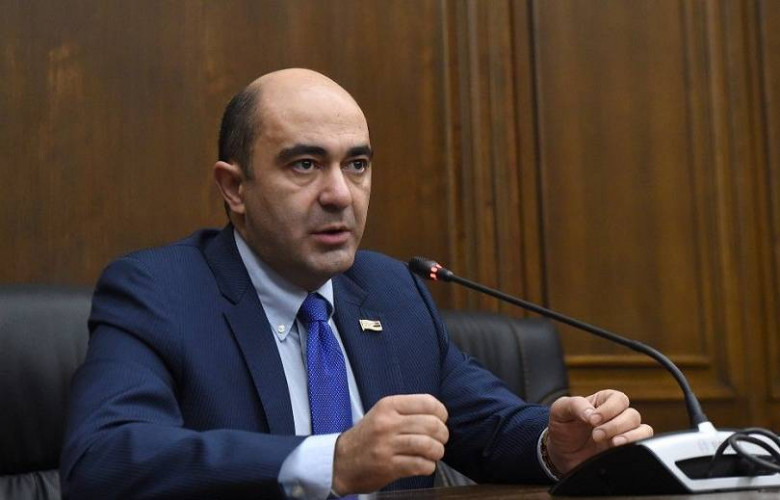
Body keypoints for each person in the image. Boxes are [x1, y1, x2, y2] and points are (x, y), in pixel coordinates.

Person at [60, 68, 653, 498]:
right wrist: (331, 460)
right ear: (235, 188)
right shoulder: (160, 291)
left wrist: (554, 446)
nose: (340, 194)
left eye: (357, 164)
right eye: (305, 164)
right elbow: (103, 458)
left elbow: (486, 426)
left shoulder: (390, 289)